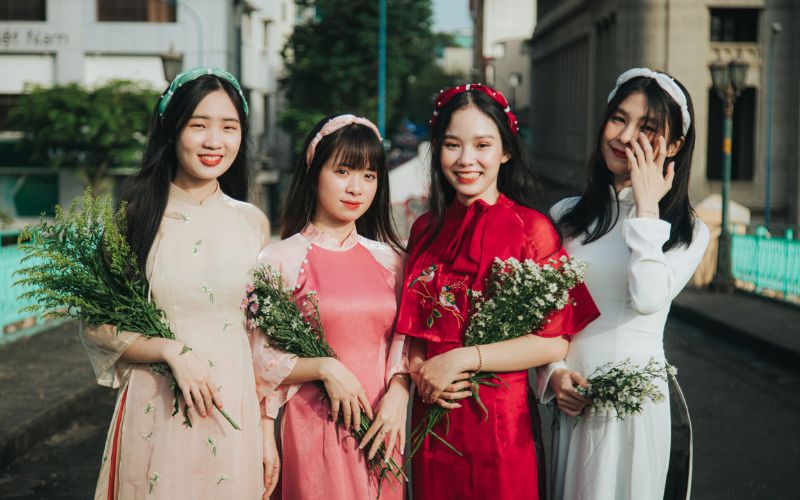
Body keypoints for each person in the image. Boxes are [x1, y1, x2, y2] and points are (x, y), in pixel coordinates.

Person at [394, 83, 600, 500]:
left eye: (482, 145)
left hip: (501, 427)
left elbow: (555, 341)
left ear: (505, 151)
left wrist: (463, 358)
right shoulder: (424, 229)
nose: (466, 159)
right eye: (452, 145)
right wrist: (422, 373)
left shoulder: (533, 229)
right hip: (435, 416)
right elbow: (414, 330)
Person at [80, 67, 268, 499]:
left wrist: (267, 428)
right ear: (171, 129)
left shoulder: (252, 223)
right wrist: (170, 350)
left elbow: (259, 336)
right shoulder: (135, 218)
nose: (214, 141)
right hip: (156, 413)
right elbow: (98, 325)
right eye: (198, 125)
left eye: (229, 127)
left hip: (232, 415)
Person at [537, 68, 710, 500]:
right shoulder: (566, 216)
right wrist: (552, 376)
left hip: (637, 407)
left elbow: (648, 298)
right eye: (619, 118)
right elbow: (543, 317)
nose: (625, 136)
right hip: (572, 401)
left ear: (674, 146)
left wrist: (647, 211)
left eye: (647, 128)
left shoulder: (687, 230)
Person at [250, 114, 410, 499]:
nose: (356, 187)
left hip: (384, 428)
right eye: (343, 171)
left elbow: (406, 344)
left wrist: (399, 395)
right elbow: (261, 356)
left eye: (369, 176)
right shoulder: (279, 260)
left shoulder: (392, 261)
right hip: (314, 427)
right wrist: (325, 367)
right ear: (313, 170)